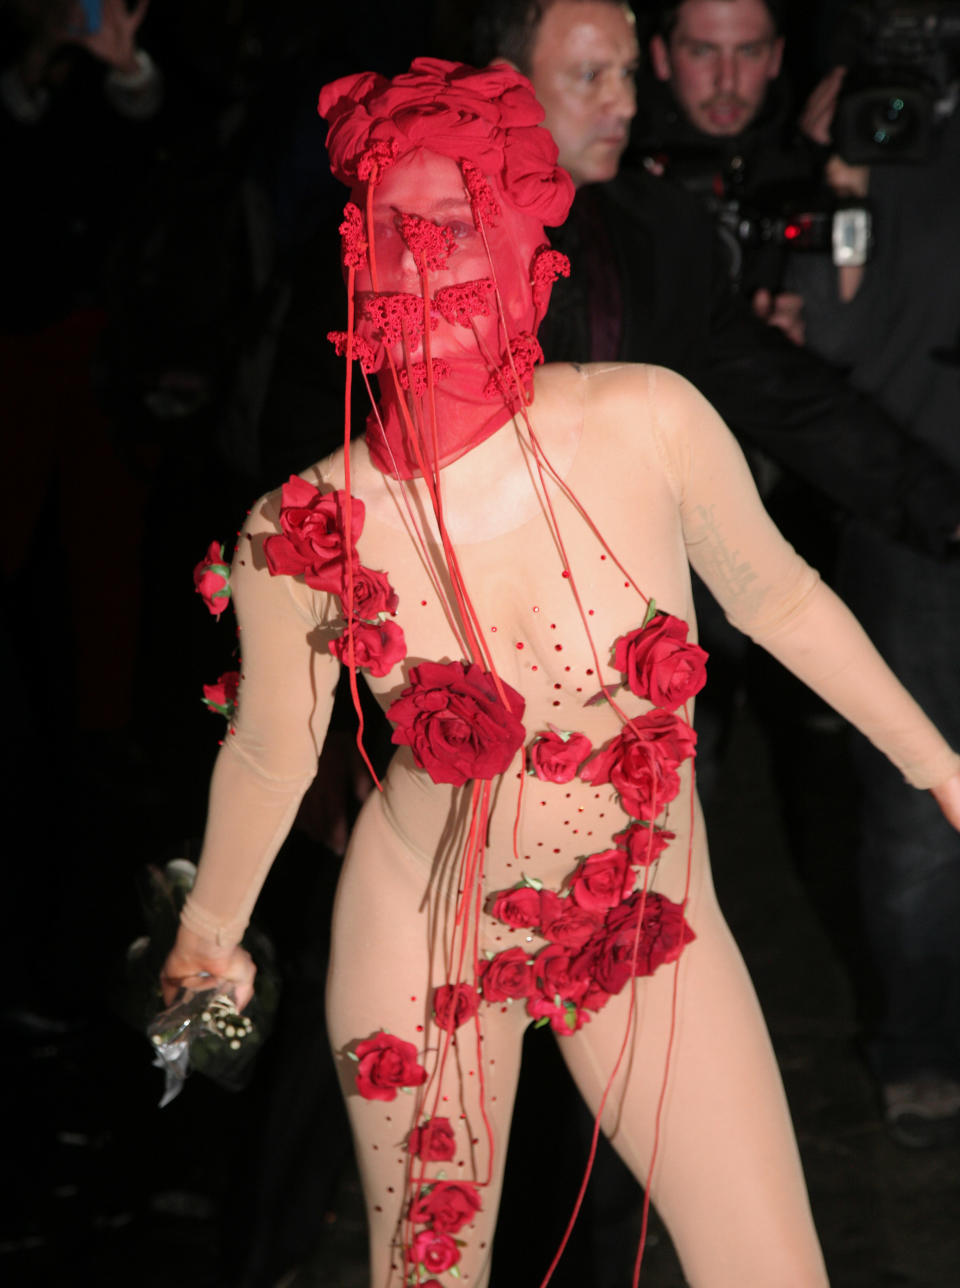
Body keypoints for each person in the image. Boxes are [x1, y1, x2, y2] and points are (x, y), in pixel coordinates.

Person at [160, 59, 960, 1286]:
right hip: (420, 930)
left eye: (462, 227)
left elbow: (782, 597)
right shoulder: (304, 527)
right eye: (397, 233)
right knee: (431, 1272)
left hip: (647, 925)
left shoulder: (648, 422)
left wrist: (941, 767)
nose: (430, 266)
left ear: (531, 249)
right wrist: (206, 936)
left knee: (770, 1267)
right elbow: (272, 749)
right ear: (355, 255)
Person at [783, 65, 960, 1147]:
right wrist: (844, 171)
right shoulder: (885, 138)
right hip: (915, 523)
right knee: (917, 819)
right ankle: (922, 1045)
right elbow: (830, 340)